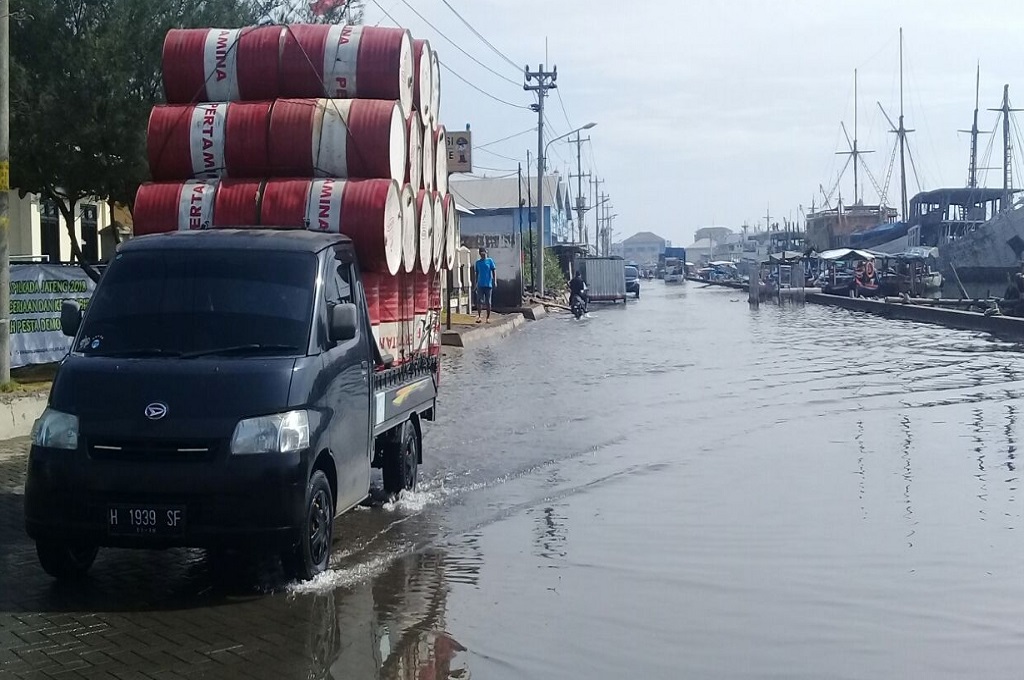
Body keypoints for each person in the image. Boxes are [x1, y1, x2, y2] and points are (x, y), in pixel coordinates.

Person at [474, 248, 496, 323]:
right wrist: (475, 283)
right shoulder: (478, 263)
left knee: (488, 302)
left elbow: (493, 270)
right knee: (479, 301)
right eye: (482, 254)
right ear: (480, 254)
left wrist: (494, 280)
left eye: (484, 254)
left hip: (488, 284)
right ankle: (479, 316)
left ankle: (488, 317)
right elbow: (476, 274)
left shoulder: (490, 261)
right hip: (480, 284)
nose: (483, 255)